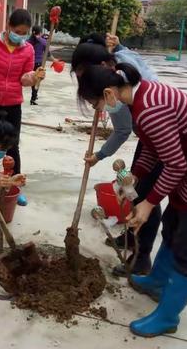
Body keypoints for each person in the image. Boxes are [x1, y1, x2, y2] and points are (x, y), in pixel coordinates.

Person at [78, 62, 187, 338]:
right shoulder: (140, 98)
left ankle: (168, 316)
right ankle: (157, 281)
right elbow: (155, 150)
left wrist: (148, 202)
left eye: (96, 104)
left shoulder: (150, 109)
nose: (100, 111)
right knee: (174, 225)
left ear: (109, 94)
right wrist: (134, 175)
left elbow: (175, 165)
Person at [71, 33, 160, 276]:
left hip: (167, 139)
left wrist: (149, 201)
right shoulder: (120, 64)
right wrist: (134, 176)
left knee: (146, 198)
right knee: (136, 189)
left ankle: (141, 260)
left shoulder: (135, 101)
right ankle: (133, 237)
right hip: (152, 138)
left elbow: (123, 130)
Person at [0, 9, 45, 204]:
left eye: (25, 33)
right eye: (17, 31)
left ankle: (15, 185)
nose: (20, 36)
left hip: (13, 103)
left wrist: (34, 77)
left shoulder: (28, 49)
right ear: (8, 26)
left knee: (12, 145)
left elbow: (24, 79)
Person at [27, 26, 58, 105]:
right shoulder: (43, 41)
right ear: (40, 33)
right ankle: (33, 97)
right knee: (37, 80)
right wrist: (54, 60)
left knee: (33, 79)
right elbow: (48, 53)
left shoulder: (28, 41)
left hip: (30, 63)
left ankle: (34, 94)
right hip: (38, 64)